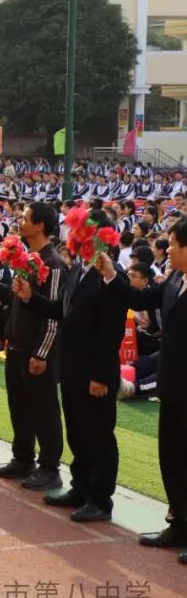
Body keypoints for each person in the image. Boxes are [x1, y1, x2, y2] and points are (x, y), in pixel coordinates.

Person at [19, 209, 128, 522]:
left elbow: (111, 332)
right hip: (72, 367)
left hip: (95, 371)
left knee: (99, 436)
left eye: (81, 233)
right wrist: (30, 298)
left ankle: (99, 498)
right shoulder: (80, 269)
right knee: (78, 432)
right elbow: (62, 312)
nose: (74, 238)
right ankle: (80, 488)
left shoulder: (110, 277)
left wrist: (101, 375)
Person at [97, 216, 187, 562]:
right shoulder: (175, 278)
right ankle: (178, 521)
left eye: (174, 245)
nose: (168, 251)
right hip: (172, 383)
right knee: (172, 455)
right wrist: (110, 273)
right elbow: (139, 298)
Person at [0, 202, 66, 492]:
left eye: (25, 219)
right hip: (16, 345)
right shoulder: (27, 260)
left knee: (44, 411)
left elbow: (53, 314)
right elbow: (16, 301)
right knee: (20, 408)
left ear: (39, 226)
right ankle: (22, 458)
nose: (20, 222)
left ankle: (50, 467)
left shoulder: (53, 265)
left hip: (36, 350)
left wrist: (42, 353)